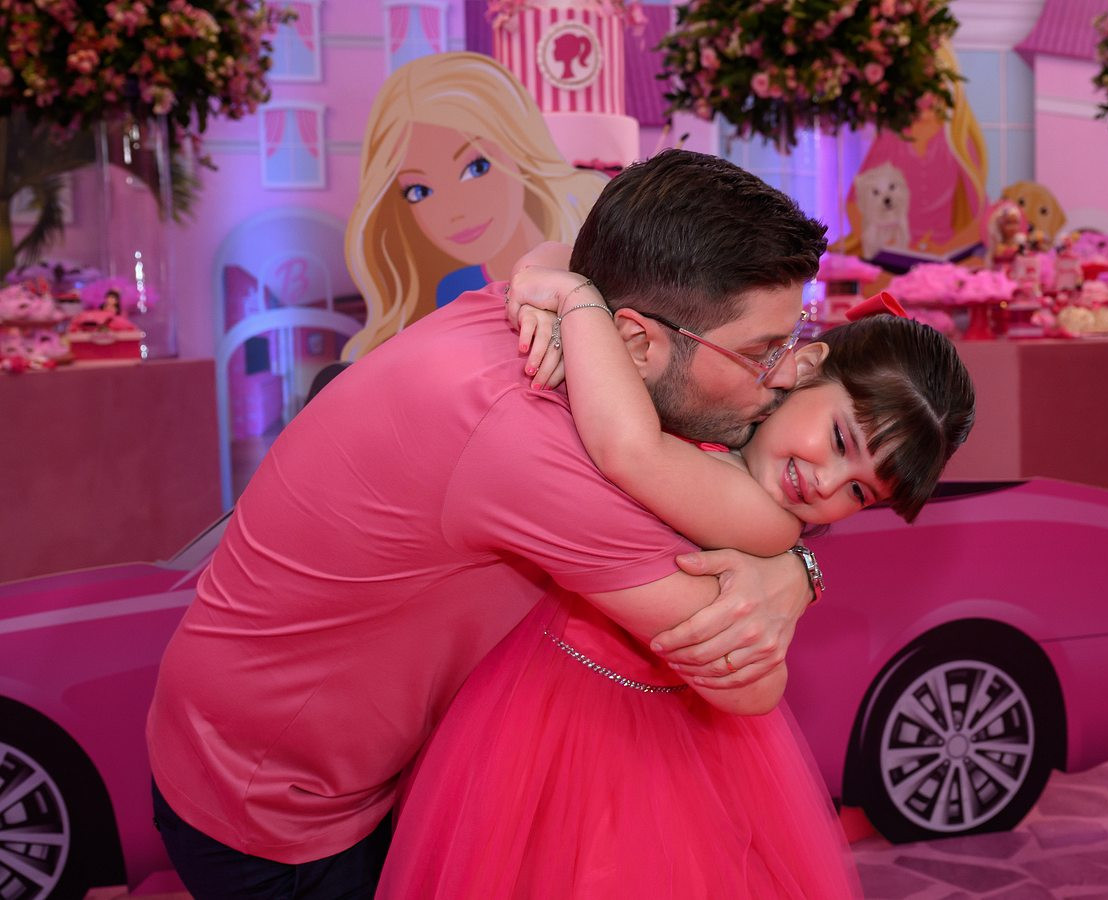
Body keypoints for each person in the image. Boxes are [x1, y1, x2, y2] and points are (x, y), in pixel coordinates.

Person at [146, 149, 835, 896]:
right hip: (272, 804)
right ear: (638, 341)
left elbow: (559, 254)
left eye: (792, 340)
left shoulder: (548, 310)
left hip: (295, 744)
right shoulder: (535, 442)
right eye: (760, 352)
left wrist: (791, 571)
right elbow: (742, 675)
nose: (780, 378)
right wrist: (794, 570)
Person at [375, 274, 974, 896]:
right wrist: (556, 280)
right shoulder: (711, 405)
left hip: (641, 737)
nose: (827, 483)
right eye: (840, 440)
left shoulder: (765, 519)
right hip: (540, 700)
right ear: (806, 364)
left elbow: (630, 448)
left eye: (859, 492)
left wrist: (574, 298)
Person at [342, 51, 606, 359]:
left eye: (476, 168)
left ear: (519, 149)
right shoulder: (453, 293)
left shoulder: (591, 248)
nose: (454, 210)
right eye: (419, 191)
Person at [840, 43, 988, 261]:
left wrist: (945, 249)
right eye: (916, 85)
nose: (925, 95)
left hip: (945, 257)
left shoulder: (958, 140)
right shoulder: (893, 135)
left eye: (933, 82)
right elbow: (855, 201)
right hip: (895, 254)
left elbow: (980, 218)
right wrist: (879, 241)